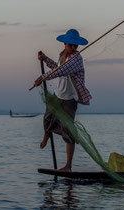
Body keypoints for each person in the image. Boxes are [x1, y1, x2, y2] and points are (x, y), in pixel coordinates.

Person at [34, 29, 92, 172]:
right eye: (71, 45)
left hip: (69, 100)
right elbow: (57, 67)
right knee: (47, 118)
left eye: (75, 46)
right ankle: (47, 134)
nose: (73, 48)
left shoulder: (76, 58)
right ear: (65, 44)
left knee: (68, 131)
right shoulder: (62, 55)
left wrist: (42, 77)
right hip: (58, 96)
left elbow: (61, 71)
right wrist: (46, 59)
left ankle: (68, 166)